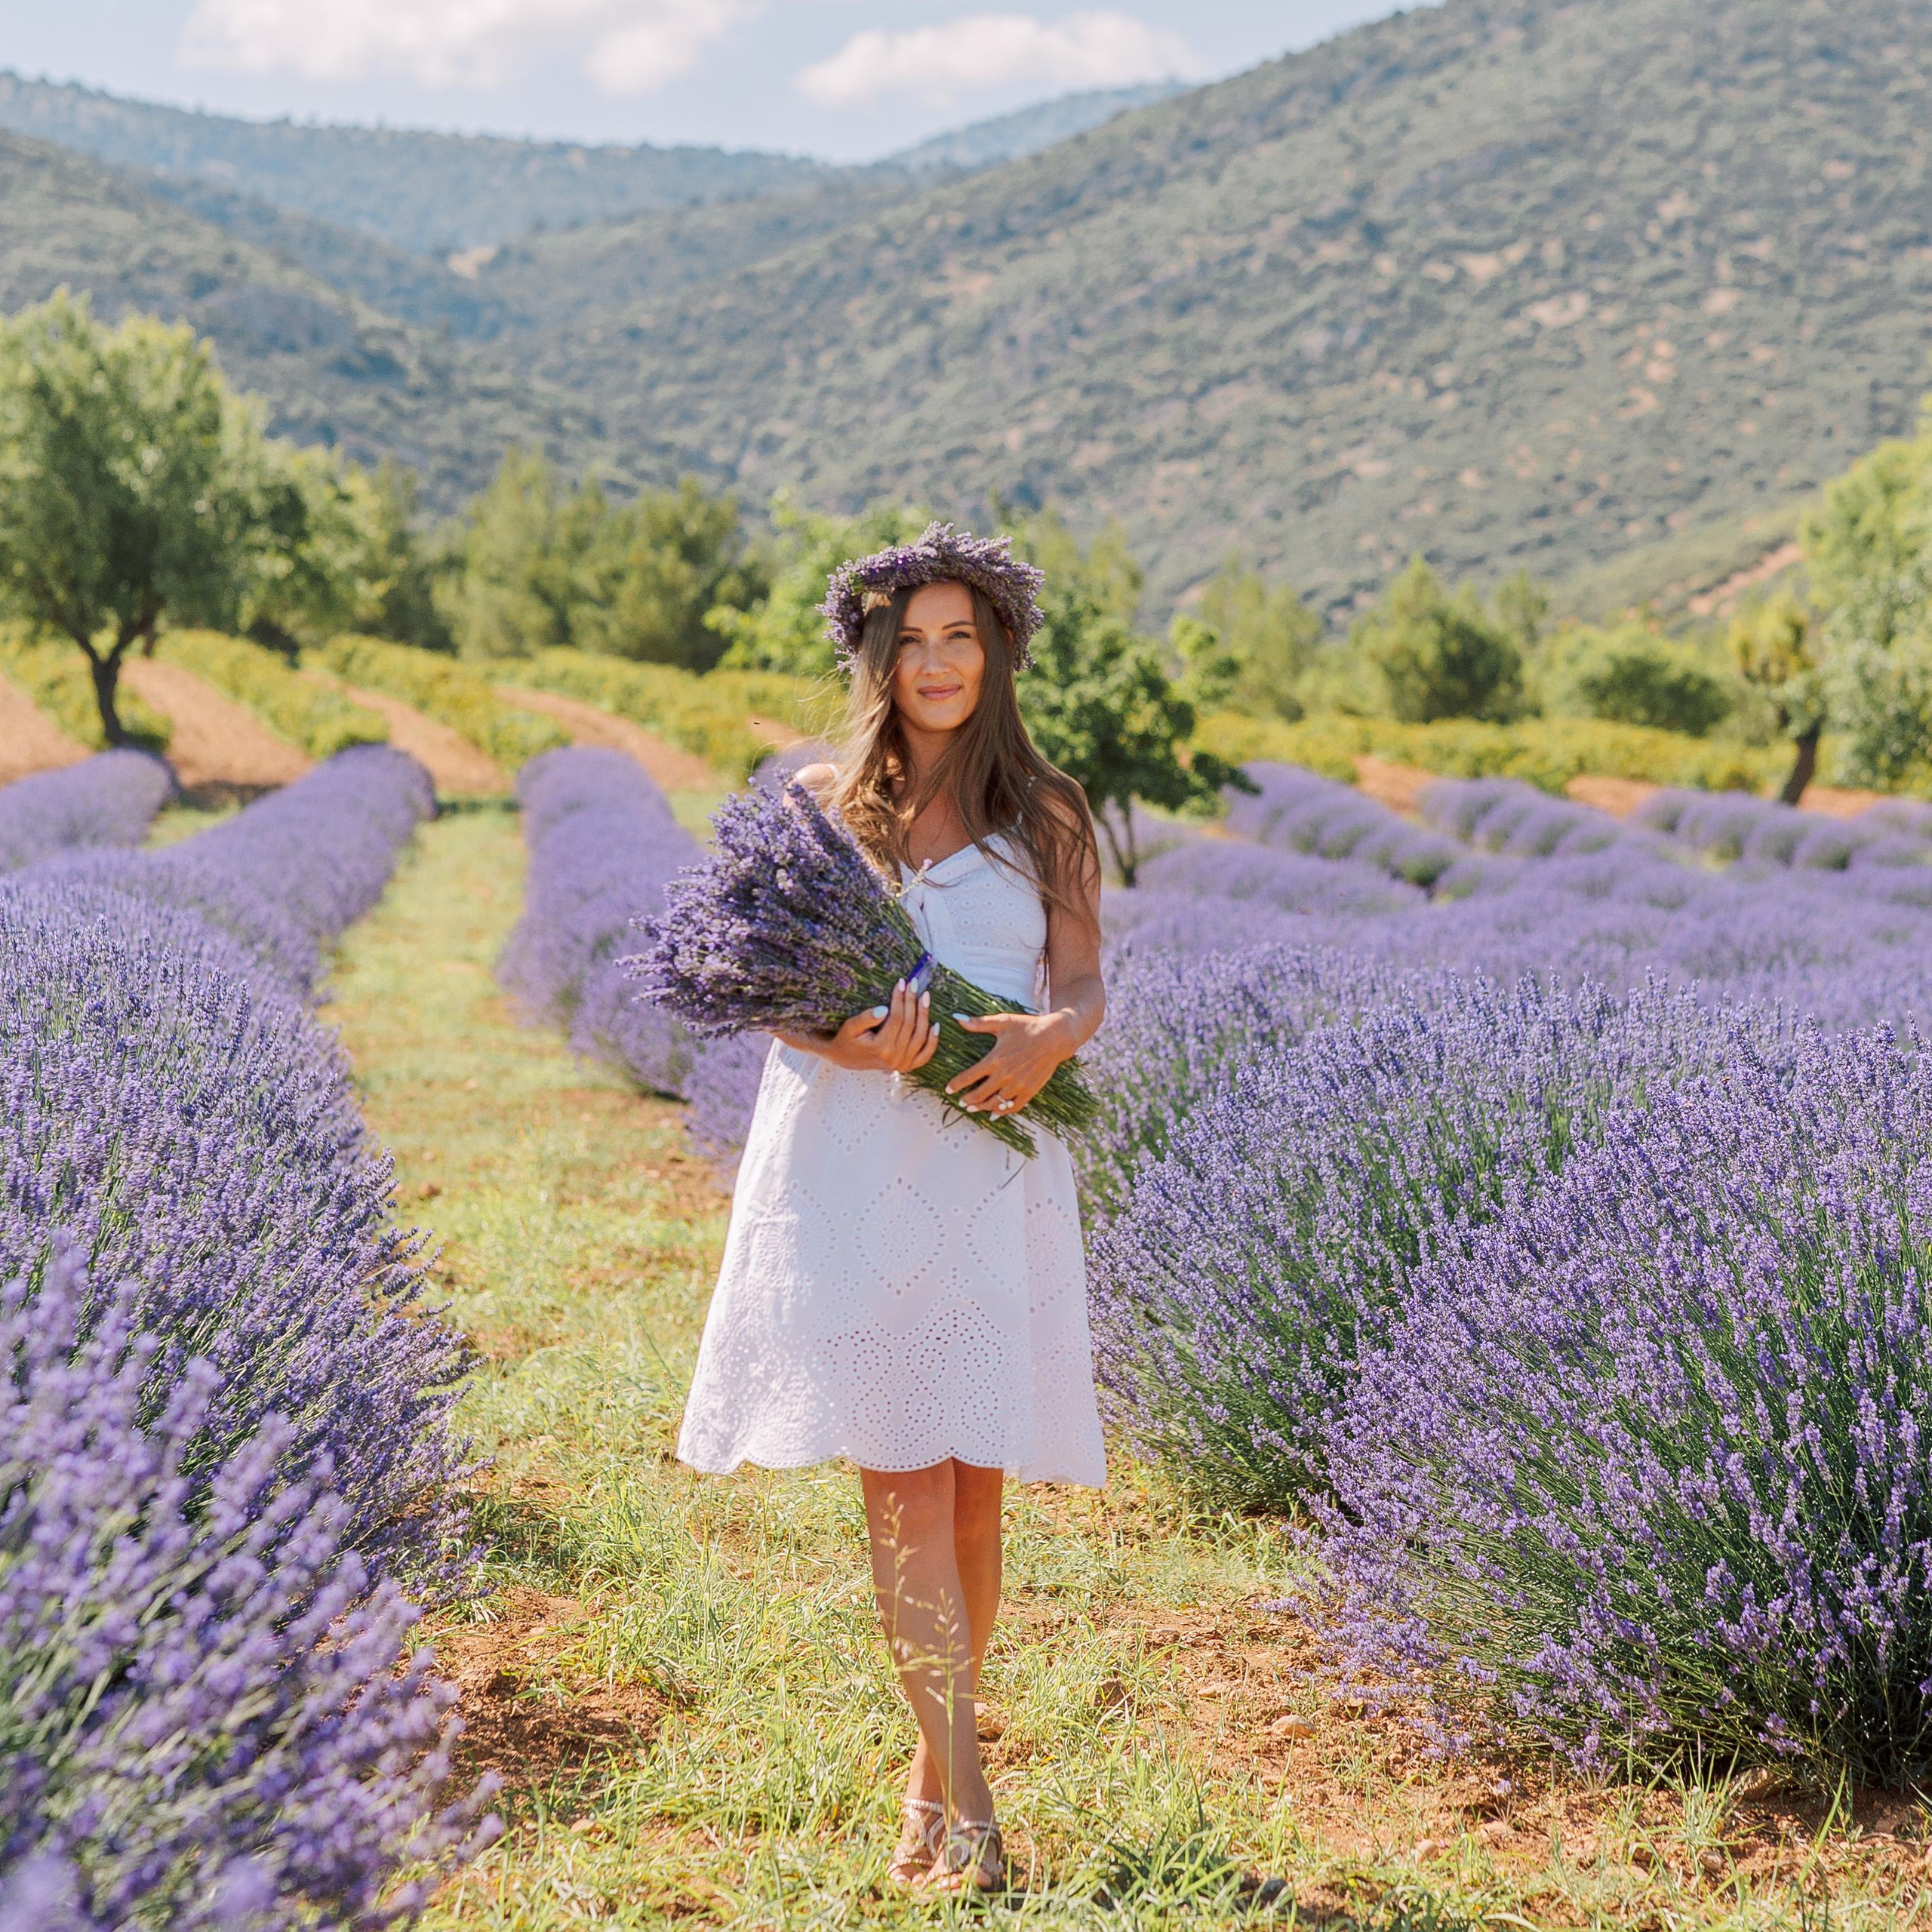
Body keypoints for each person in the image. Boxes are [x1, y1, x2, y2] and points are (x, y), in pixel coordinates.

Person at [676, 524, 1108, 1894]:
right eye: (909, 640)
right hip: (856, 1165)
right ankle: (973, 1798)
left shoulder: (1047, 808)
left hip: (987, 1161)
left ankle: (930, 1779)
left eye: (959, 638)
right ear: (875, 656)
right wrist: (848, 1042)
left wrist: (1047, 1040)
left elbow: (1087, 985)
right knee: (902, 1482)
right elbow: (772, 995)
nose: (935, 663)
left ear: (997, 654)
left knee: (974, 1491)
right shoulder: (820, 802)